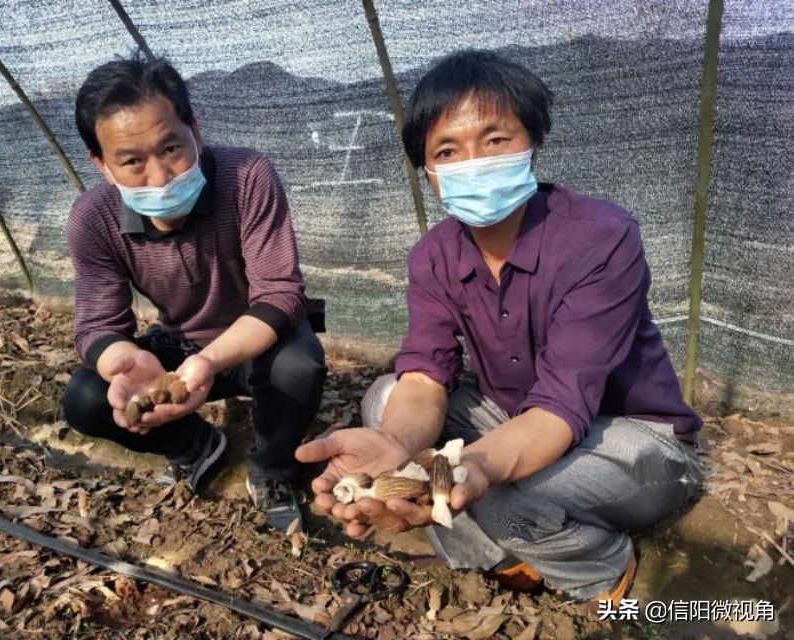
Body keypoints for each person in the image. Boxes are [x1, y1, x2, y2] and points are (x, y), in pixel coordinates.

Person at [297, 49, 704, 603]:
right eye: (447, 150)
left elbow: (562, 404)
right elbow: (423, 379)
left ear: (532, 141)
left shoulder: (600, 237)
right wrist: (395, 443)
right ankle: (501, 560)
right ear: (429, 173)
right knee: (387, 400)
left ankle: (603, 572)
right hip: (518, 418)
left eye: (494, 140)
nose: (473, 163)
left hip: (633, 439)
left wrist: (474, 467)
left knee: (491, 488)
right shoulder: (433, 256)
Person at [61, 51, 326, 532]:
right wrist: (121, 359)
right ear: (101, 165)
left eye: (171, 149)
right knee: (85, 397)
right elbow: (98, 322)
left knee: (299, 364)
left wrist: (209, 362)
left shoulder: (247, 177)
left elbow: (280, 292)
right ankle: (195, 446)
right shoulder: (92, 218)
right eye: (132, 162)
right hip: (178, 342)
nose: (159, 176)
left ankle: (273, 469)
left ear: (195, 132)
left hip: (254, 338)